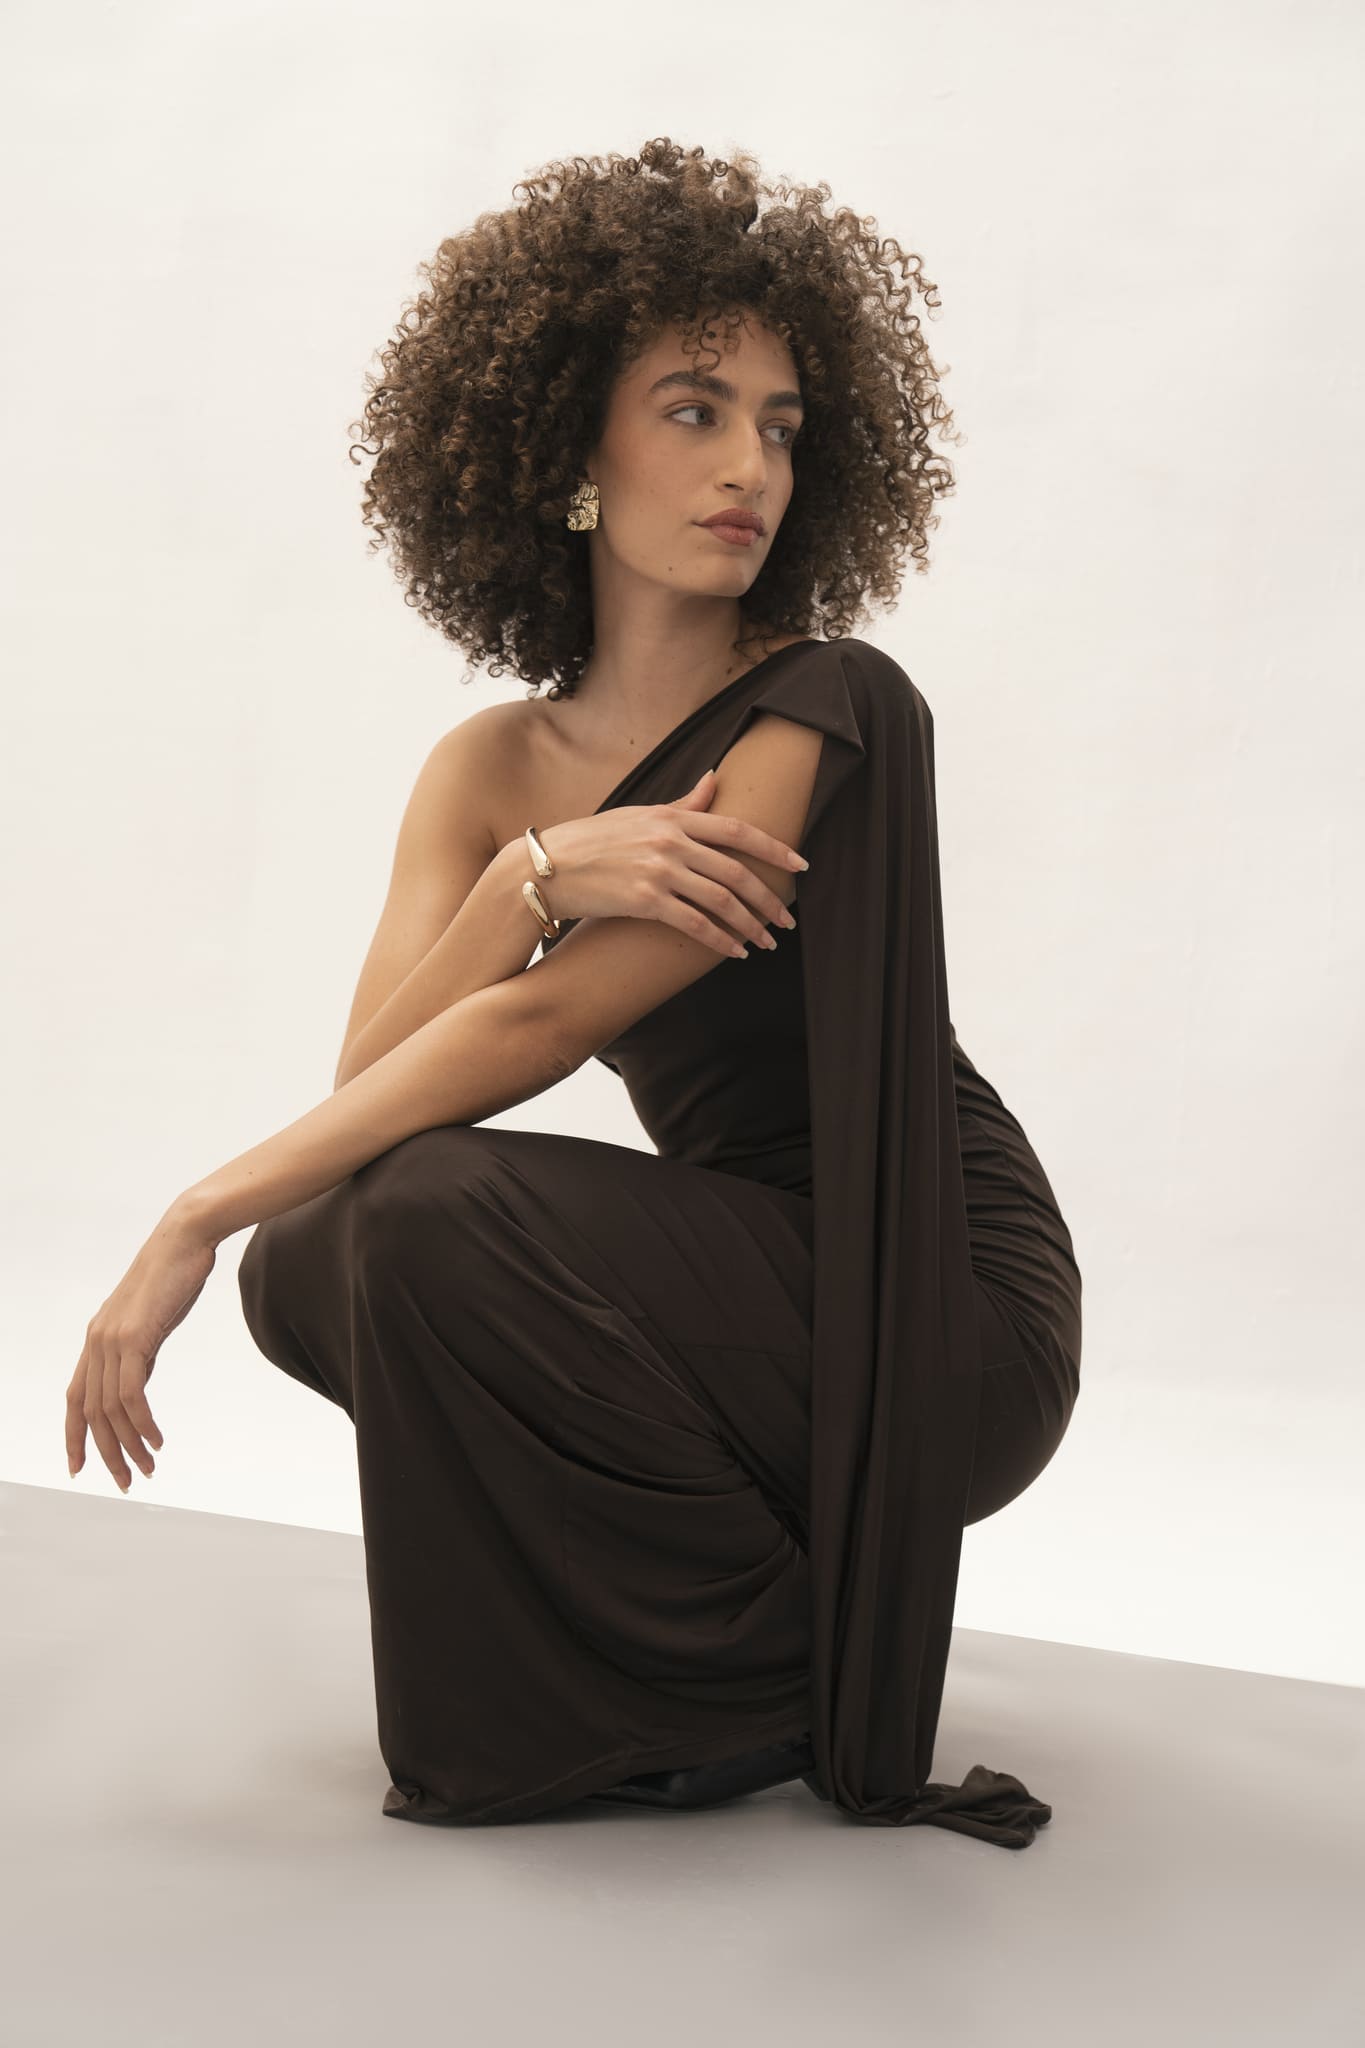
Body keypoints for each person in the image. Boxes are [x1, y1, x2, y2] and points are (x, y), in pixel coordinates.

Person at [66, 139, 1081, 1849]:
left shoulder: (824, 706)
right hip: (728, 1285)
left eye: (777, 421)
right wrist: (533, 876)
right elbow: (373, 1089)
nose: (747, 461)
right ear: (567, 450)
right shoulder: (490, 764)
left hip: (930, 1301)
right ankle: (664, 1664)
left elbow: (531, 1035)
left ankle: (759, 1659)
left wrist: (185, 1214)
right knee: (332, 1245)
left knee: (402, 1204)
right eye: (693, 407)